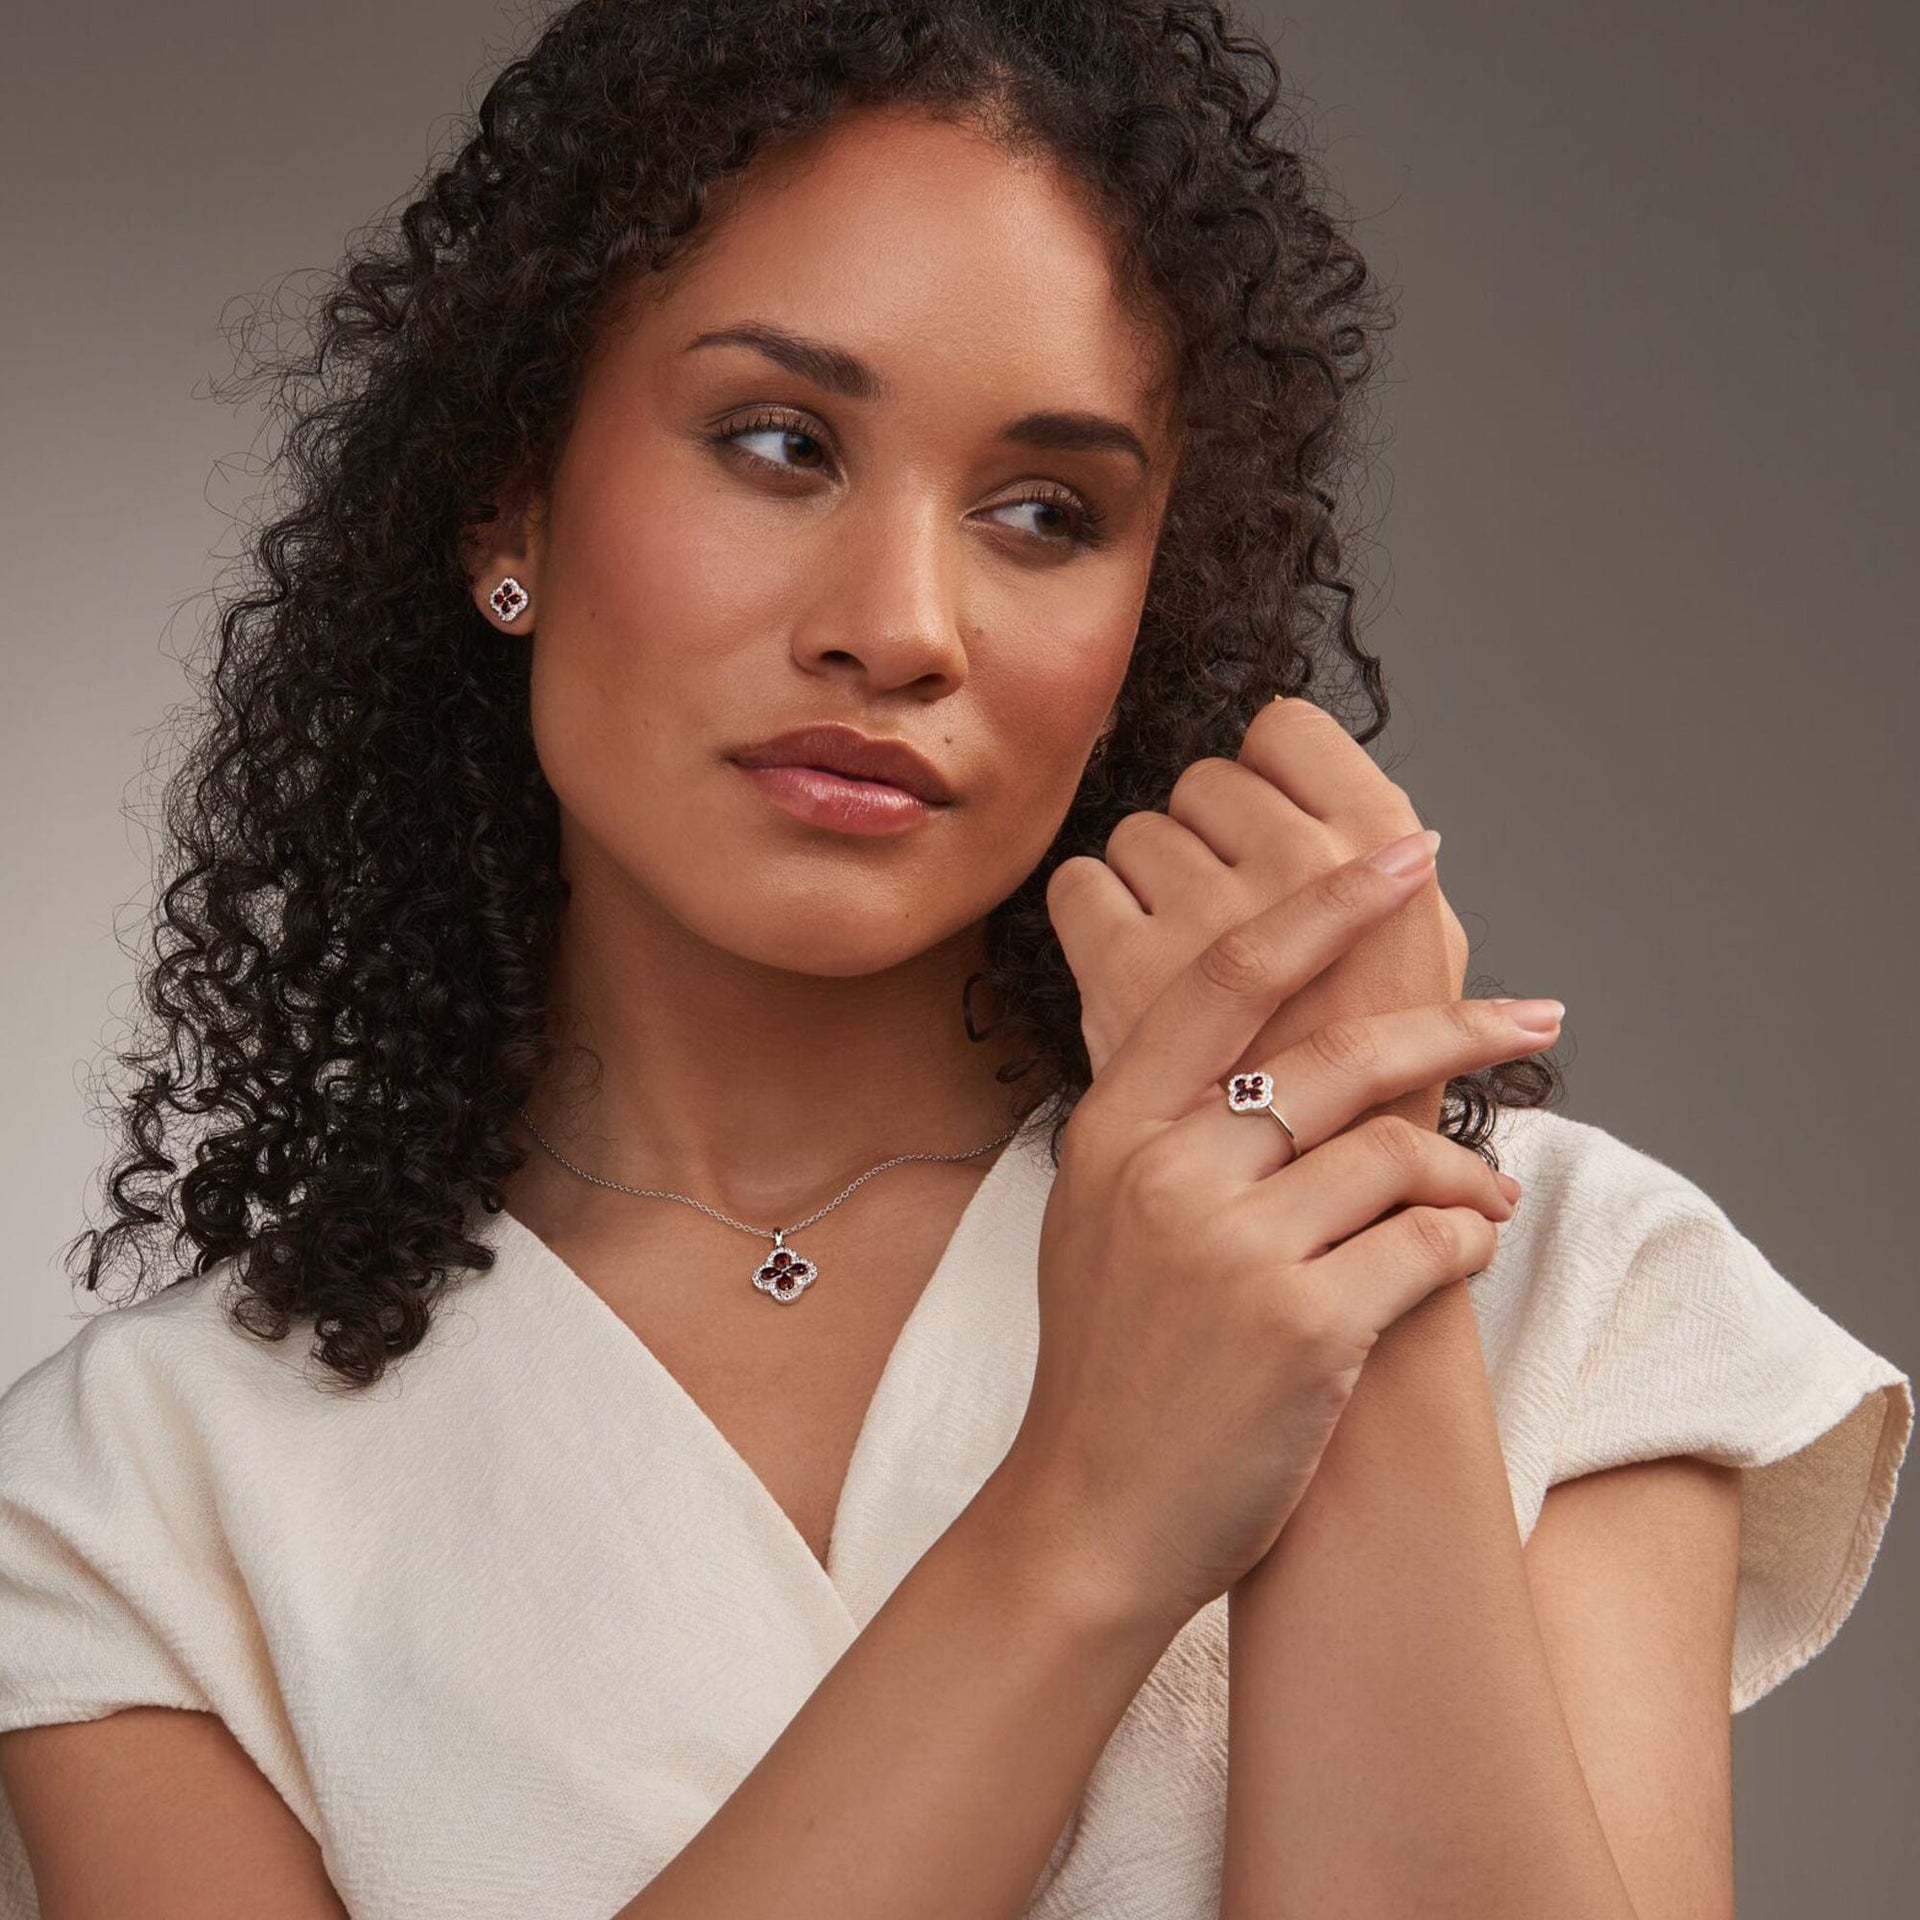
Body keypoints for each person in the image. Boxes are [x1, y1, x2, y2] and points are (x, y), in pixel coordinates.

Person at [0, 3, 1908, 1916]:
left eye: (1043, 514)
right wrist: (1089, 1521)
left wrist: (1356, 1261)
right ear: (513, 499)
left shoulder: (1546, 1287)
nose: (902, 626)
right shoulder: (137, 1497)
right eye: (778, 443)